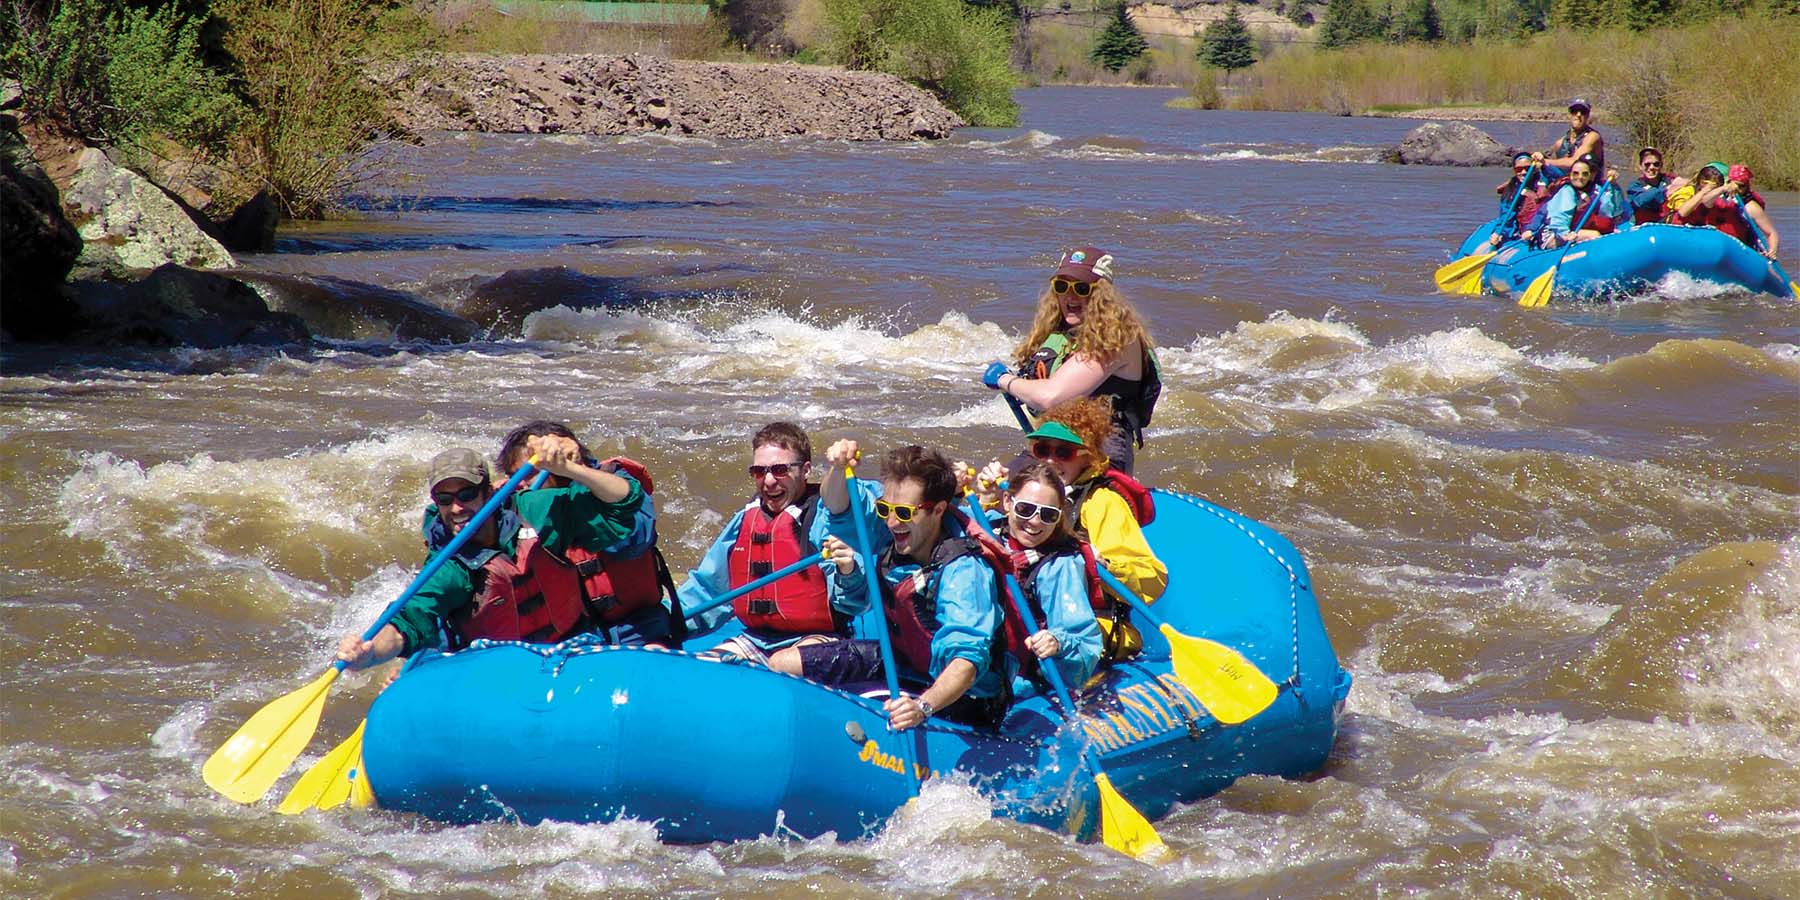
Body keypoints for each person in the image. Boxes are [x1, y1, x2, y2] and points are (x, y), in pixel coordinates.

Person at [334, 432, 658, 672]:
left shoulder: (533, 511)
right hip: (503, 672)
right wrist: (370, 652)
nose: (457, 508)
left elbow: (623, 504)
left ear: (489, 492)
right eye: (445, 500)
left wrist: (573, 470)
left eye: (467, 494)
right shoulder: (450, 564)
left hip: (574, 650)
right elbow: (409, 621)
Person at [800, 441, 1010, 731]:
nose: (891, 521)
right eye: (886, 508)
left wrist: (922, 707)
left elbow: (966, 662)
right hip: (904, 660)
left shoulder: (964, 571)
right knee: (786, 664)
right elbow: (838, 505)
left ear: (937, 510)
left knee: (877, 711)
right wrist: (837, 468)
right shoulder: (896, 528)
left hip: (964, 695)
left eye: (904, 513)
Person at [977, 397, 1165, 667]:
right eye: (1043, 450)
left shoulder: (1102, 502)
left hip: (1089, 626)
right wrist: (987, 499)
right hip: (1031, 613)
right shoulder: (1027, 493)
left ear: (1088, 456)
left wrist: (1106, 565)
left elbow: (1151, 578)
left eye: (1064, 452)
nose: (1051, 460)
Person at [676, 422, 859, 671]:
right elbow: (708, 589)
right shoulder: (746, 519)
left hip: (819, 638)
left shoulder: (824, 517)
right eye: (759, 472)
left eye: (780, 470)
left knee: (783, 664)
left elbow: (855, 602)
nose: (769, 481)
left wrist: (849, 572)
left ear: (805, 470)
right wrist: (665, 622)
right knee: (706, 669)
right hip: (756, 639)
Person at [981, 246, 1161, 475]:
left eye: (1082, 288)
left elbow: (1050, 397)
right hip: (1054, 441)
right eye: (1062, 286)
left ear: (1101, 296)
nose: (1070, 295)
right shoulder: (1061, 333)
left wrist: (1004, 380)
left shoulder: (1118, 337)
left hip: (1100, 450)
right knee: (995, 488)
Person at [986, 462, 1104, 697]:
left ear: (1059, 516)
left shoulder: (1060, 566)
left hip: (1020, 679)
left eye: (1048, 515)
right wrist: (958, 489)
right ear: (1008, 502)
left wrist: (1057, 642)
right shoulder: (987, 530)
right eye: (1025, 509)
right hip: (976, 662)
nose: (1036, 521)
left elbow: (1084, 644)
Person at [1672, 163, 1780, 258]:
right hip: (1714, 248)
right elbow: (1705, 200)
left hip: (1739, 250)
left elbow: (1771, 233)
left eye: (1741, 186)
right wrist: (1723, 189)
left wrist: (1772, 250)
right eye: (1733, 184)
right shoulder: (1717, 197)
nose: (1736, 189)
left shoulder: (1750, 207)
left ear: (1747, 187)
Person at [1539, 157, 1625, 248]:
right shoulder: (1566, 191)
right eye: (1576, 173)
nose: (1580, 177)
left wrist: (1612, 186)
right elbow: (1559, 217)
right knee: (1593, 235)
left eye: (1585, 174)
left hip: (1577, 229)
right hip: (1555, 233)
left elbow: (1609, 211)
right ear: (1570, 175)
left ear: (1589, 176)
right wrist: (1565, 234)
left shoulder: (1596, 190)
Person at [1487, 152, 1552, 249]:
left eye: (1527, 168)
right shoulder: (1511, 189)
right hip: (1524, 232)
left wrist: (1544, 162)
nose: (1524, 172)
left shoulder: (1545, 181)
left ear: (1534, 168)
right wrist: (1498, 233)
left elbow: (1559, 175)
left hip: (1542, 228)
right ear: (1514, 170)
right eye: (1519, 169)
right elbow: (1506, 215)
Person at [1532, 98, 1604, 179]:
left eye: (1583, 112)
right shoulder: (1560, 143)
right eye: (1574, 111)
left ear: (1587, 116)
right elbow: (1548, 158)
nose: (1578, 114)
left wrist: (1544, 161)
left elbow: (1574, 162)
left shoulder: (1592, 137)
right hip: (1567, 184)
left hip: (1591, 187)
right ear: (1569, 115)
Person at [1625, 147, 1682, 227]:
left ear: (1661, 165)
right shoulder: (1634, 187)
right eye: (1647, 164)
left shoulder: (1670, 180)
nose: (1651, 167)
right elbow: (1640, 201)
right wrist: (1666, 190)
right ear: (1640, 166)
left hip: (1669, 228)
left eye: (1656, 164)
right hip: (1645, 230)